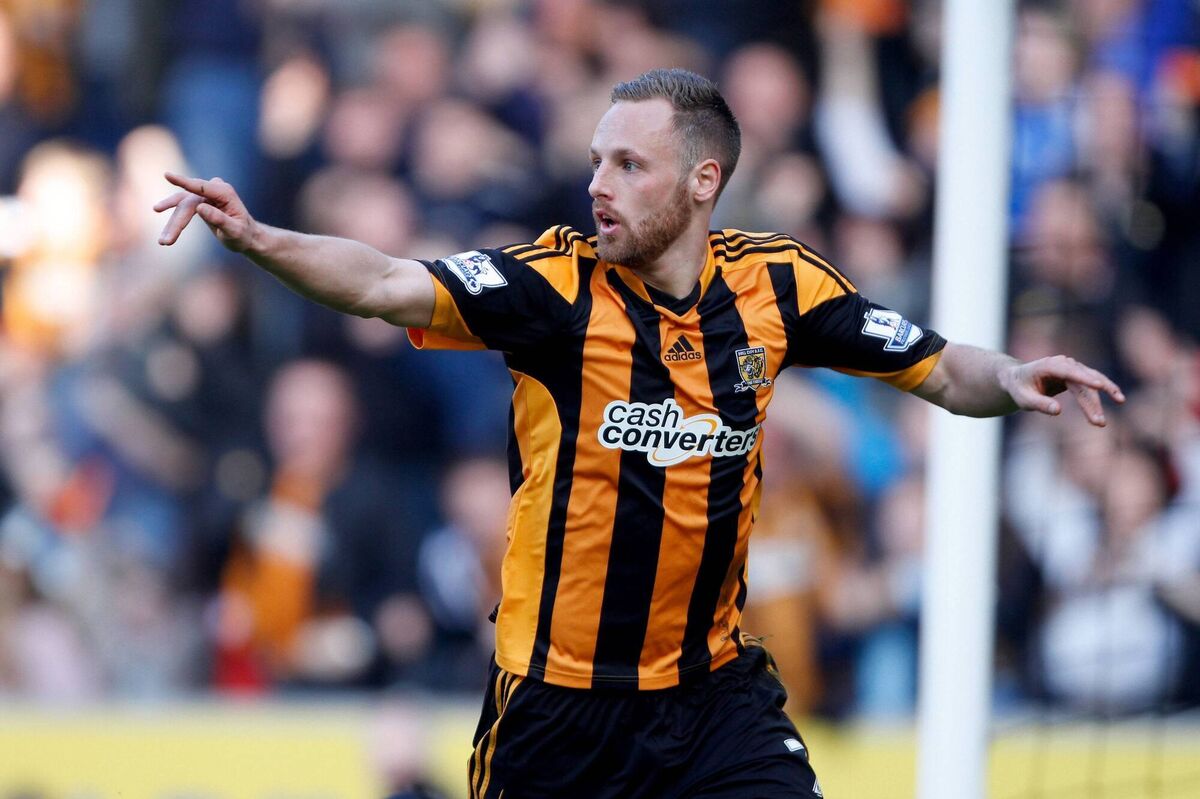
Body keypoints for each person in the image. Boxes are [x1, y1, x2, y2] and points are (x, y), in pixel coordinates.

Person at [155, 68, 1124, 799]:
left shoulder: (778, 287)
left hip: (711, 700)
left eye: (629, 164)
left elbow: (939, 367)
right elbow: (381, 282)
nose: (599, 187)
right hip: (555, 711)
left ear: (703, 180)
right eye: (595, 163)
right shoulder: (554, 288)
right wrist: (259, 237)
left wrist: (1011, 375)